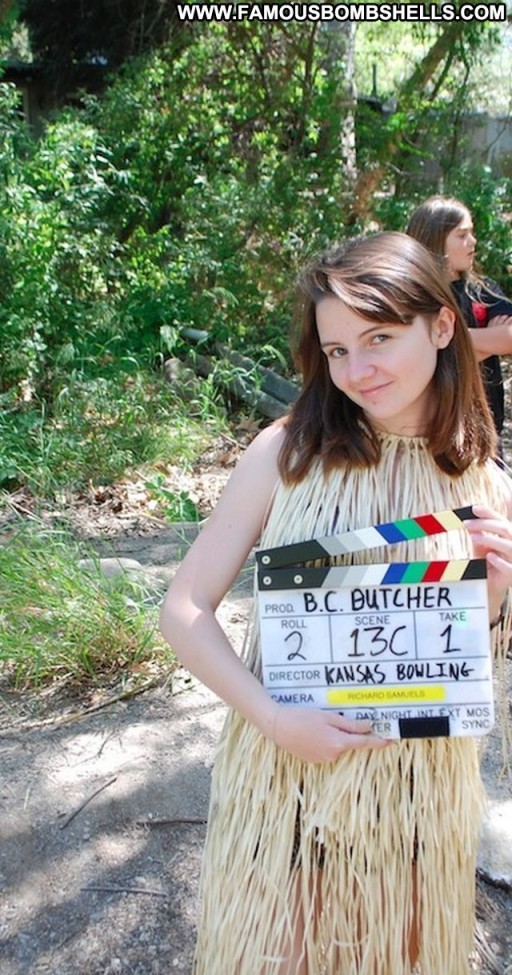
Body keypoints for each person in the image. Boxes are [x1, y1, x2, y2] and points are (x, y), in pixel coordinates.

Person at [159, 232, 512, 975]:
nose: (357, 369)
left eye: (379, 338)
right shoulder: (285, 455)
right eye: (338, 350)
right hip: (287, 781)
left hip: (419, 795)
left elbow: (457, 662)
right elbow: (184, 607)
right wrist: (276, 719)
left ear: (441, 326)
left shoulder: (487, 483)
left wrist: (490, 598)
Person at [406, 195, 512, 447]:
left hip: (487, 429)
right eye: (462, 235)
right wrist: (487, 342)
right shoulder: (413, 295)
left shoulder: (483, 290)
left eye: (471, 233)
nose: (473, 242)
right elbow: (416, 356)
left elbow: (509, 338)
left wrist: (444, 342)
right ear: (436, 240)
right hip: (433, 433)